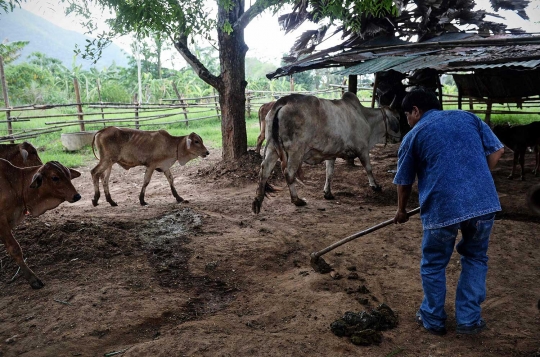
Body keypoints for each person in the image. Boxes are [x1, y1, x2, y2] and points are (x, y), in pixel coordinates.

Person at [393, 87, 504, 336]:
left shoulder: (414, 136)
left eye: (407, 115)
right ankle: (469, 321)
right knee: (475, 258)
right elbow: (497, 151)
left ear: (416, 110)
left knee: (433, 264)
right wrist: (478, 180)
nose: (408, 121)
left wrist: (401, 211)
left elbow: (404, 181)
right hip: (483, 204)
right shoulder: (468, 118)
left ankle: (433, 319)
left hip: (442, 208)